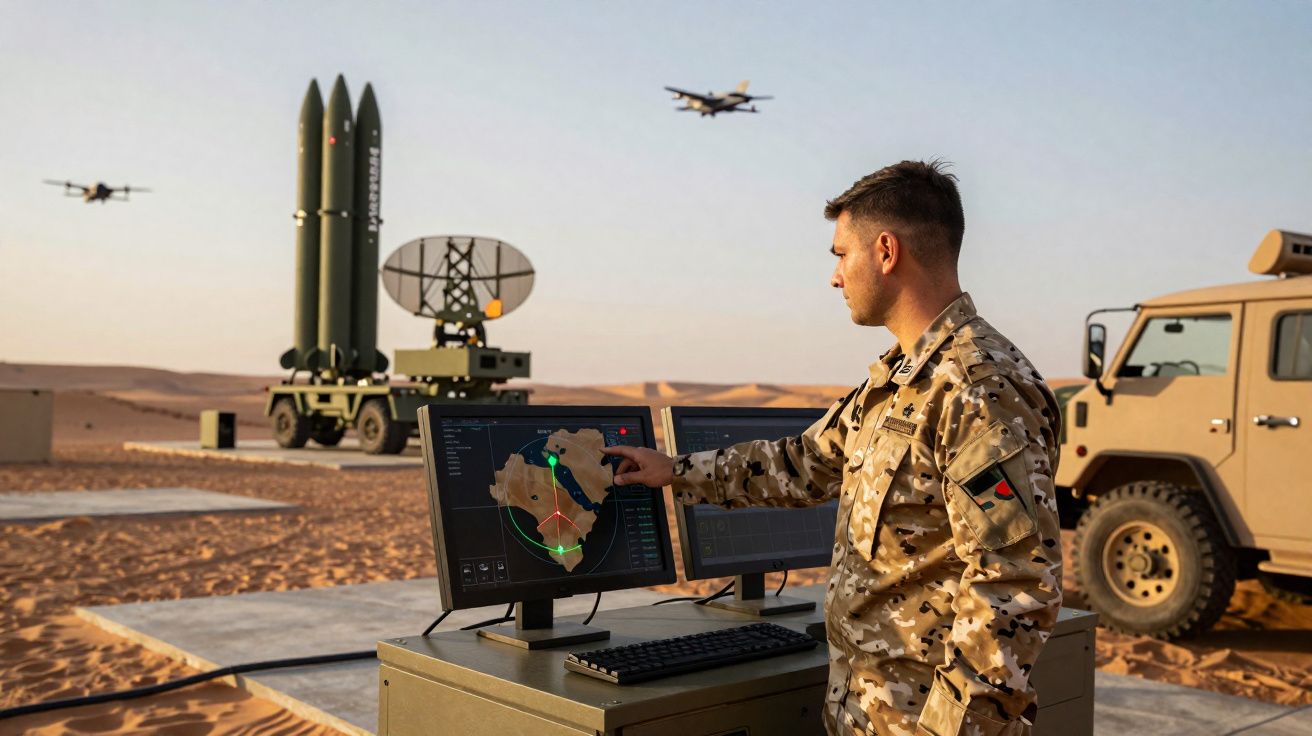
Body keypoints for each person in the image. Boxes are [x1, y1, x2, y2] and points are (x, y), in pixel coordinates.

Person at [603, 160, 1063, 736]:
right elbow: (804, 464)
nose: (835, 276)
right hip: (864, 713)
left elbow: (1015, 580)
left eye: (842, 254)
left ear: (886, 251)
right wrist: (675, 471)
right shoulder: (897, 382)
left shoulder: (979, 389)